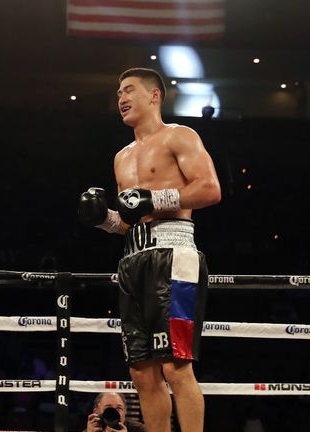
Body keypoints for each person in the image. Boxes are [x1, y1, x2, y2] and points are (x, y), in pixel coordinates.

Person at [78, 67, 221, 432]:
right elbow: (130, 218)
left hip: (174, 256)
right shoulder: (121, 157)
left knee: (176, 365)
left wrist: (154, 198)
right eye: (118, 93)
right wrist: (103, 219)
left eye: (128, 90)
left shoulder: (180, 136)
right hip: (133, 259)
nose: (121, 99)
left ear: (154, 95)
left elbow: (209, 189)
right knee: (141, 371)